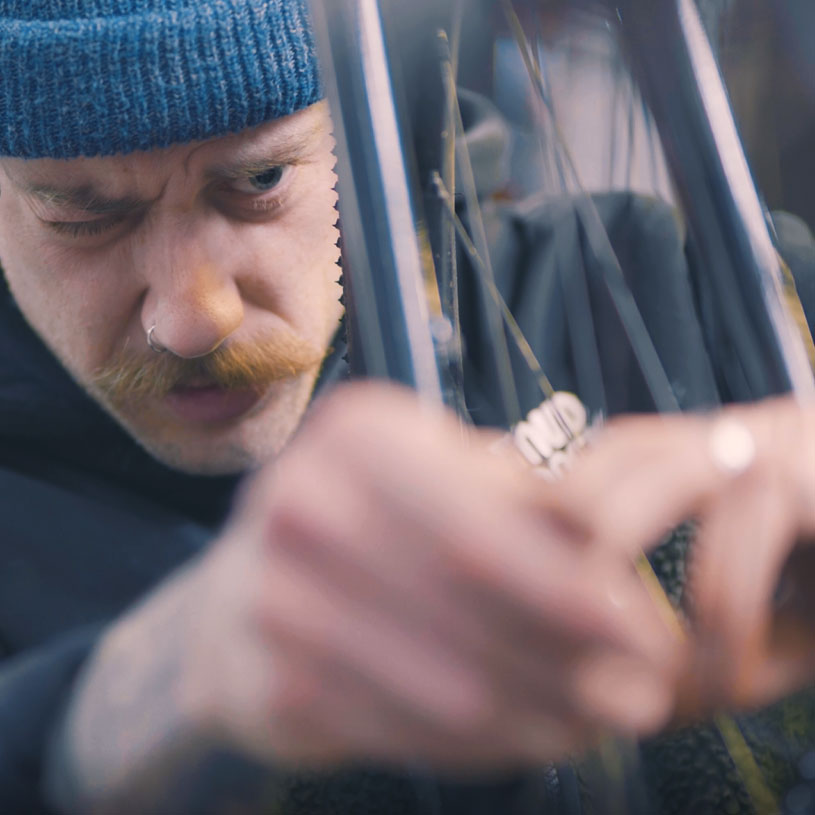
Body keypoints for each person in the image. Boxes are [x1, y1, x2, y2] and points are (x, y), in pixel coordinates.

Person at [0, 1, 813, 814]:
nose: (190, 317)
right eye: (81, 214)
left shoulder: (677, 293)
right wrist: (147, 689)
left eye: (259, 180)